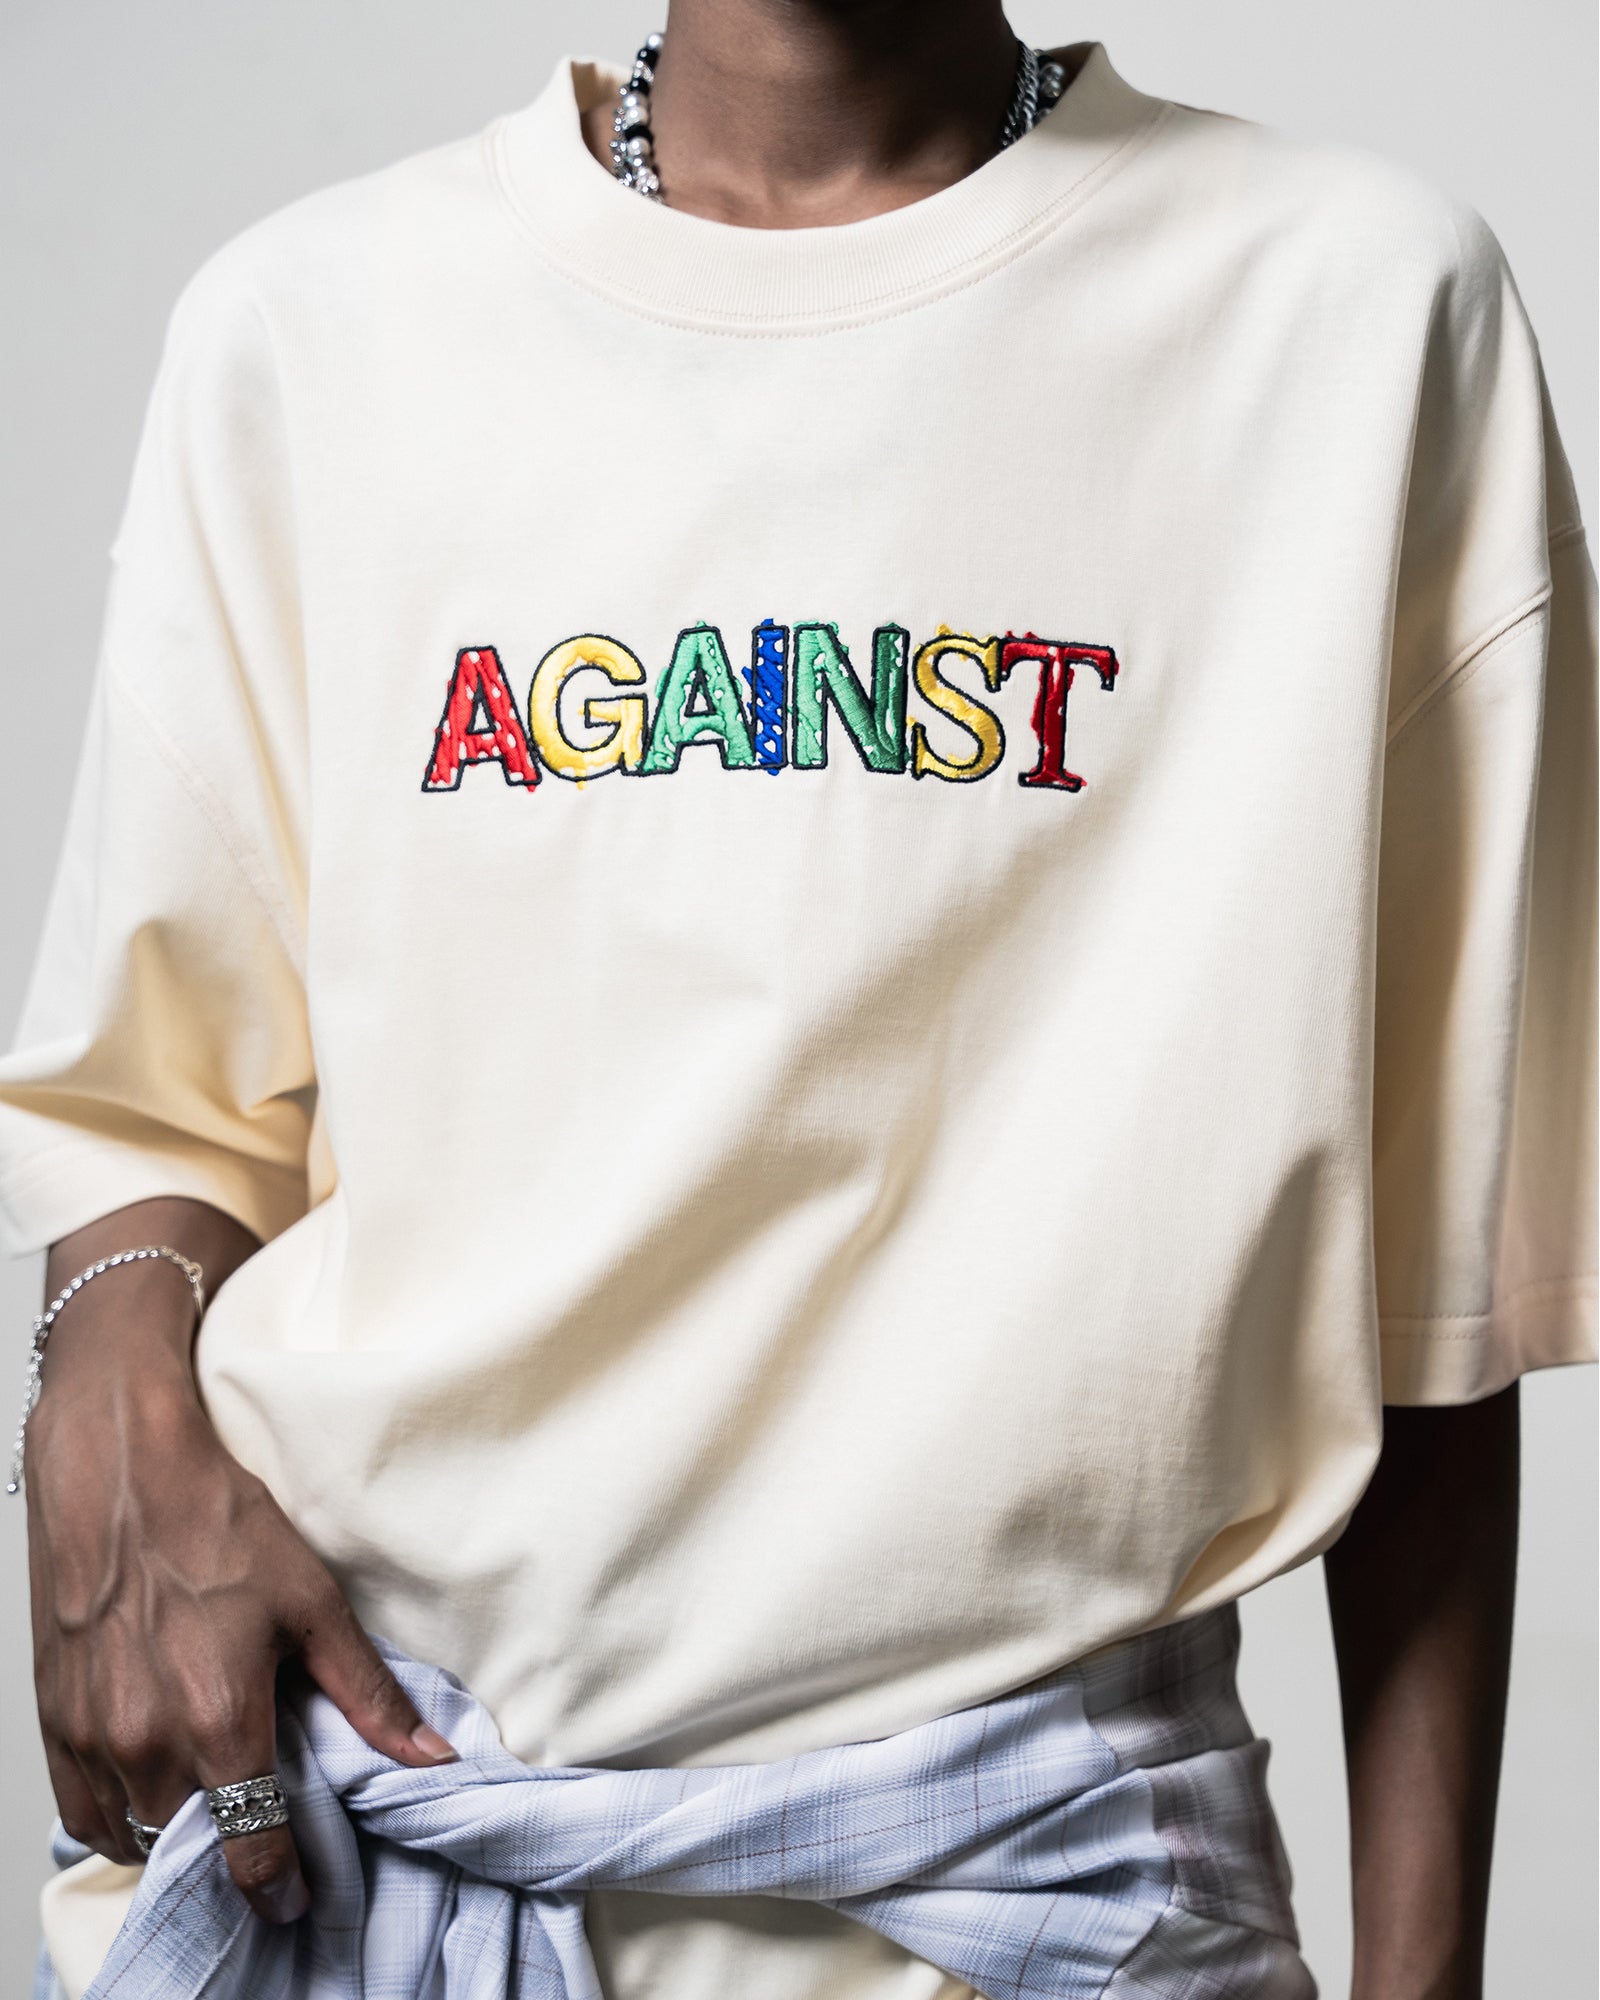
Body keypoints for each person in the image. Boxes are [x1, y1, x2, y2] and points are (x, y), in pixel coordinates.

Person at [2, 2, 1593, 1996]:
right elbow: (158, 1125)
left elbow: (1434, 1310)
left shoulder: (1355, 317)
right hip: (374, 1880)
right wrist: (95, 1392)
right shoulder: (309, 334)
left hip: (1042, 1913)